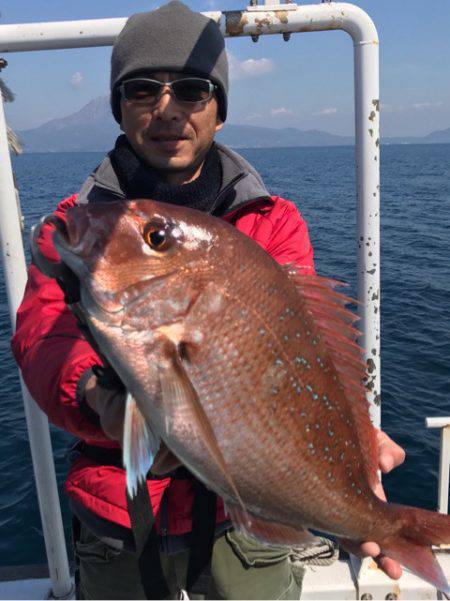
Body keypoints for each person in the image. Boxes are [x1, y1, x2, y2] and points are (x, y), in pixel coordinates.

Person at [11, 2, 405, 599]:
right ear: (118, 106)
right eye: (142, 90)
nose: (167, 109)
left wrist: (351, 448)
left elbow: (311, 355)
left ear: (219, 110)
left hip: (244, 523)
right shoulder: (75, 229)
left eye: (193, 91)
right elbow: (42, 337)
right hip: (119, 516)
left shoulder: (274, 223)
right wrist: (100, 399)